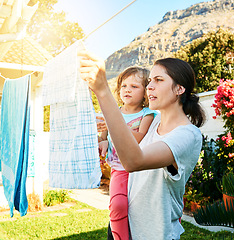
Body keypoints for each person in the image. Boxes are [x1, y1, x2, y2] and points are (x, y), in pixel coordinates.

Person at [79, 52, 205, 240]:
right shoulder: (153, 123)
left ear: (179, 89)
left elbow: (134, 161)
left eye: (159, 80)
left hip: (153, 234)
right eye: (149, 82)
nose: (150, 86)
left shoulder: (187, 135)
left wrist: (103, 90)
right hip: (124, 225)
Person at [96, 66, 157, 240]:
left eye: (134, 86)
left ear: (145, 92)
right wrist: (103, 140)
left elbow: (138, 138)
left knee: (138, 210)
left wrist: (114, 124)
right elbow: (103, 135)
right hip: (119, 169)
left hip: (140, 171)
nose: (127, 90)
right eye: (124, 86)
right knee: (118, 204)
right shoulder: (113, 112)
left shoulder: (147, 114)